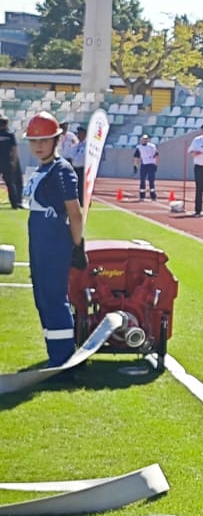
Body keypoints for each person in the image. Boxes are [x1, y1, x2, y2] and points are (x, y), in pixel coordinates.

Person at [22, 113, 87, 368]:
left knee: (54, 298)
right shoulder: (42, 169)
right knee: (42, 298)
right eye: (34, 140)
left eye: (44, 140)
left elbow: (75, 213)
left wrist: (77, 245)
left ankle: (64, 358)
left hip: (54, 241)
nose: (38, 145)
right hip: (39, 241)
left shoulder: (61, 170)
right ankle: (55, 354)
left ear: (56, 140)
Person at [0, 114, 23, 209]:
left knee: (10, 183)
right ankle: (15, 204)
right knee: (10, 183)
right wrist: (14, 161)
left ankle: (15, 203)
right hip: (7, 162)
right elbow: (14, 150)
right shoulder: (10, 135)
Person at [134, 134, 159, 200]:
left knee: (151, 180)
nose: (144, 140)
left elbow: (156, 155)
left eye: (146, 139)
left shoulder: (152, 146)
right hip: (144, 164)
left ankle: (153, 195)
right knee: (142, 180)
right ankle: (142, 195)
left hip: (151, 164)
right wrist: (135, 165)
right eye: (143, 139)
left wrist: (156, 164)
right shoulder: (139, 147)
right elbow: (136, 157)